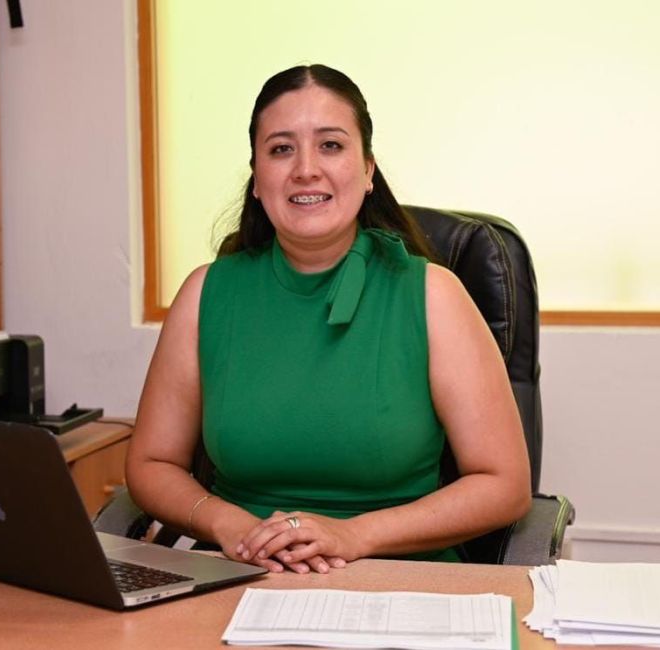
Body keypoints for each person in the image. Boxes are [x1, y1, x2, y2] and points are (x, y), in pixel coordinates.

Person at [125, 64, 531, 574]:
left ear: (367, 171)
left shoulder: (432, 295)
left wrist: (353, 534)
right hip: (243, 572)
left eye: (331, 145)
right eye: (281, 149)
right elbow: (152, 464)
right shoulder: (206, 293)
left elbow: (504, 485)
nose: (306, 169)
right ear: (257, 178)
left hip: (397, 573)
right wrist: (230, 525)